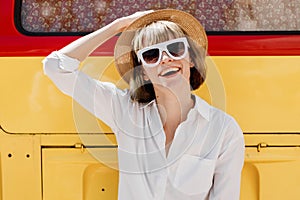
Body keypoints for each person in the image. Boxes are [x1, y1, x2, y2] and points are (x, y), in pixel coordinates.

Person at [43, 9, 245, 200]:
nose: (165, 59)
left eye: (175, 49)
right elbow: (56, 67)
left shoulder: (224, 130)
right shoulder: (124, 111)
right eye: (151, 55)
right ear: (142, 72)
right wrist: (117, 26)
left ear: (191, 58)